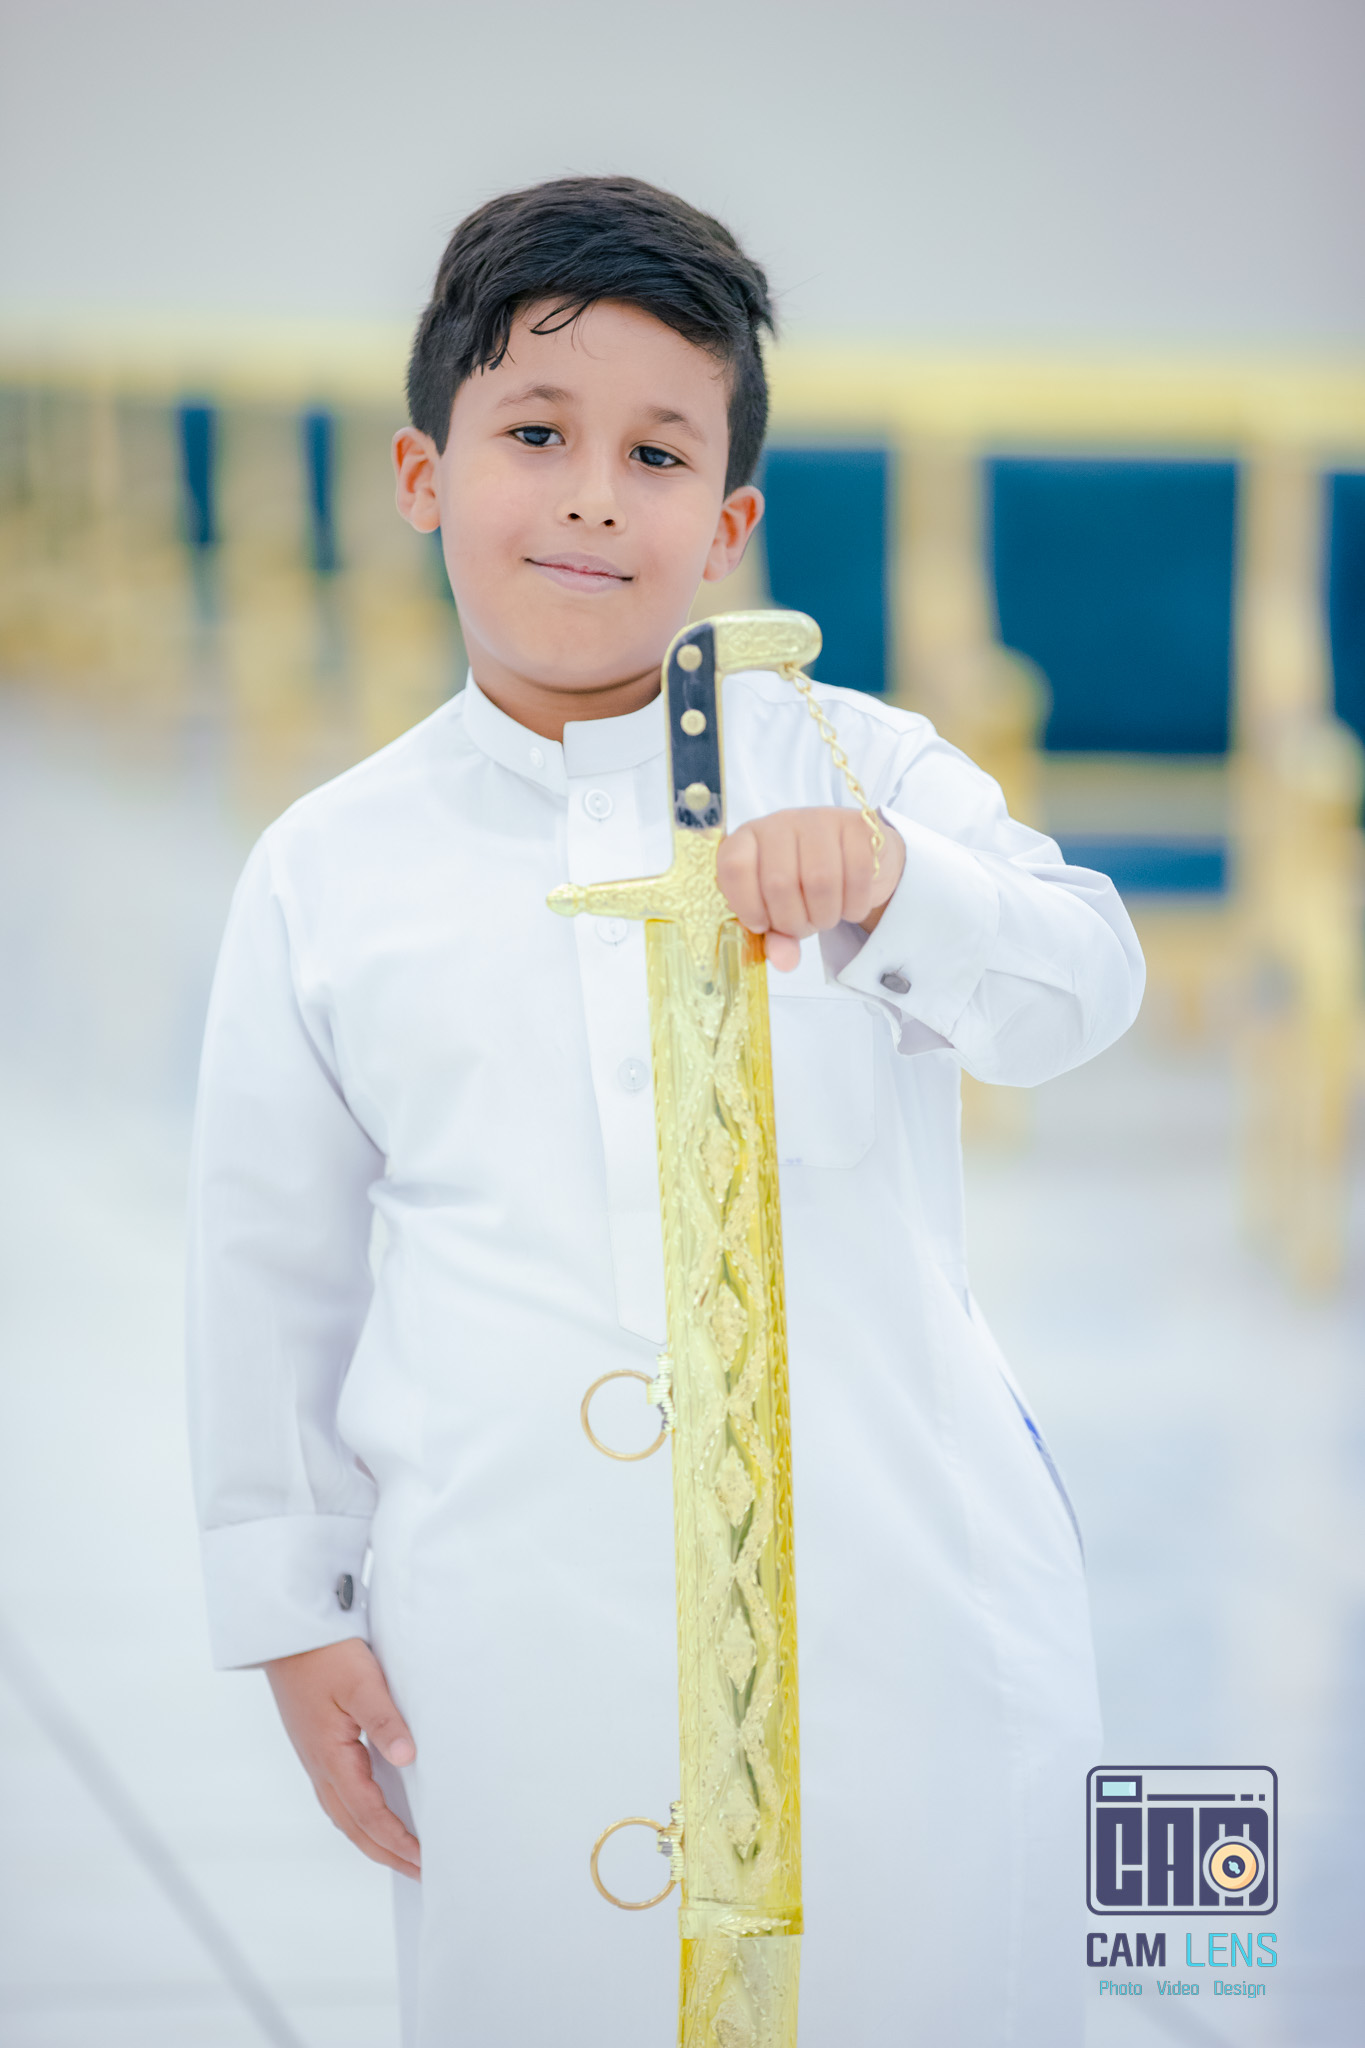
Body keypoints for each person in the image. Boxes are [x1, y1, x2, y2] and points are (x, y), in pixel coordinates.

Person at [188, 175, 1144, 2047]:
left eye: (655, 454)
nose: (591, 498)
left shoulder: (867, 767)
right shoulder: (329, 867)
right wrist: (291, 1608)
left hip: (895, 1590)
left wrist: (897, 884)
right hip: (510, 1611)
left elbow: (1077, 990)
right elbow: (268, 1268)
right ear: (421, 475)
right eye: (535, 436)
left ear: (728, 525)